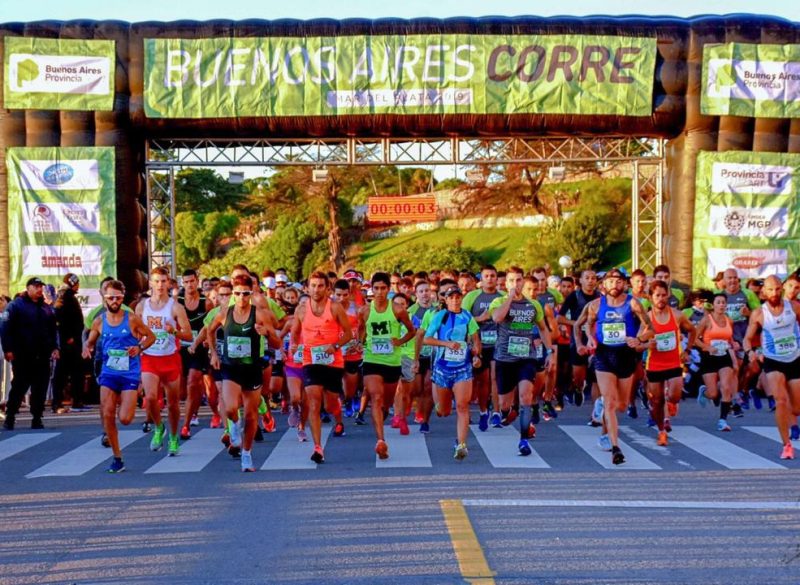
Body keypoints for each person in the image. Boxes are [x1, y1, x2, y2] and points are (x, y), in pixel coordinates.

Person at [574, 269, 653, 465]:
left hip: (626, 355)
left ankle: (601, 406)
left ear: (624, 284)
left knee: (621, 405)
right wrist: (585, 341)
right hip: (604, 356)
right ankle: (616, 448)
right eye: (610, 281)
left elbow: (650, 328)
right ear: (603, 285)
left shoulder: (633, 303)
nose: (614, 285)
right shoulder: (595, 305)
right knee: (610, 404)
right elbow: (580, 325)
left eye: (618, 282)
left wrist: (639, 339)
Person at [207, 274, 281, 471]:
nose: (241, 298)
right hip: (230, 367)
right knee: (230, 408)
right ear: (233, 293)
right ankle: (234, 424)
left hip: (252, 369)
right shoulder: (225, 312)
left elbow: (277, 343)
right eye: (238, 293)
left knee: (251, 415)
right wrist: (214, 354)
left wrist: (266, 333)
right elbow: (210, 330)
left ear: (251, 293)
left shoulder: (260, 315)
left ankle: (246, 454)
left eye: (246, 294)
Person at [83, 280, 156, 472]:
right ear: (104, 299)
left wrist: (139, 347)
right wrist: (86, 347)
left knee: (125, 419)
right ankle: (117, 458)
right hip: (109, 373)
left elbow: (151, 337)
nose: (114, 301)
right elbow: (90, 340)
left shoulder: (131, 319)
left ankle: (129, 400)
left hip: (129, 374)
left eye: (118, 298)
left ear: (122, 298)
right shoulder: (99, 321)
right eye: (111, 298)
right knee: (107, 414)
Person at [489, 266, 555, 456]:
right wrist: (510, 298)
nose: (515, 284)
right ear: (506, 283)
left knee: (526, 396)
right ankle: (509, 411)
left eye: (518, 280)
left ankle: (524, 440)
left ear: (523, 282)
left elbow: (543, 328)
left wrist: (550, 352)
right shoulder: (499, 301)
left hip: (527, 358)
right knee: (504, 405)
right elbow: (497, 318)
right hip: (504, 359)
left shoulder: (533, 305)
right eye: (511, 280)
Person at [290, 271, 352, 463]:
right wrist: (294, 346)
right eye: (313, 285)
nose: (316, 289)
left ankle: (338, 417)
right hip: (311, 360)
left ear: (327, 288)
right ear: (307, 287)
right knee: (314, 401)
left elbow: (348, 334)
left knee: (330, 404)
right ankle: (318, 447)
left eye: (320, 286)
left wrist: (334, 346)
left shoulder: (335, 307)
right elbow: (294, 333)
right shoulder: (301, 309)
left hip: (332, 361)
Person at [358, 272, 416, 459]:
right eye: (376, 288)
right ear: (371, 289)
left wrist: (399, 341)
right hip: (372, 360)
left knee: (386, 403)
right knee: (376, 396)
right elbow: (361, 330)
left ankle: (383, 414)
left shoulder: (398, 310)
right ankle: (381, 441)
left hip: (392, 362)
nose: (380, 292)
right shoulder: (365, 311)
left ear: (388, 289)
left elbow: (412, 331)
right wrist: (359, 343)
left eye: (383, 288)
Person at [136, 267, 193, 456]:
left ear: (169, 283)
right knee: (151, 397)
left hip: (170, 358)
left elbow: (188, 335)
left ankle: (174, 437)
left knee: (173, 404)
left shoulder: (176, 307)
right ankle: (159, 427)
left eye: (163, 281)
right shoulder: (142, 306)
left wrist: (174, 331)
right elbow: (136, 330)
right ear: (150, 283)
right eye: (156, 281)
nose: (160, 285)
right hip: (149, 358)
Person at [743, 275, 800, 460]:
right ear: (763, 292)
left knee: (796, 408)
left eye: (777, 289)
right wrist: (750, 352)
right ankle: (787, 445)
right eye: (770, 289)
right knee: (780, 400)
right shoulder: (759, 313)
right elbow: (747, 339)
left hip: (795, 358)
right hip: (773, 360)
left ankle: (792, 416)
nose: (774, 293)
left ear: (781, 289)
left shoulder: (794, 307)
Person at [423, 286, 481, 460]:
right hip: (442, 367)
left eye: (458, 297)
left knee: (463, 406)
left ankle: (461, 444)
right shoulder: (440, 316)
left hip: (463, 367)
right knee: (443, 411)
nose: (455, 300)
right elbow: (426, 338)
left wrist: (477, 355)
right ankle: (440, 406)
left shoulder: (467, 316)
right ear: (446, 300)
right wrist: (446, 344)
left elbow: (476, 339)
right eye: (451, 298)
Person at [639, 280, 696, 446]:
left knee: (674, 395)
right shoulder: (647, 319)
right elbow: (638, 342)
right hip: (654, 364)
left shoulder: (677, 315)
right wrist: (646, 345)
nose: (661, 299)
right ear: (650, 297)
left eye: (664, 295)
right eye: (657, 295)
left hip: (674, 362)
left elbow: (692, 330)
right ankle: (661, 431)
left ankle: (672, 403)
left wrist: (687, 350)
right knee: (657, 402)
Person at [0, 277, 60, 430]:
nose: (39, 289)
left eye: (41, 287)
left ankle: (37, 417)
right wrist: (8, 349)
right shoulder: (16, 305)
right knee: (19, 386)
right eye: (36, 286)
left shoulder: (45, 308)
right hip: (23, 355)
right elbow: (5, 328)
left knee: (40, 388)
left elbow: (52, 330)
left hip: (42, 355)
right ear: (28, 288)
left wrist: (55, 347)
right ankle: (10, 417)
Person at [462, 265, 503, 429]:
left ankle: (496, 413)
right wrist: (480, 318)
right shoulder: (472, 296)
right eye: (486, 276)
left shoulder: (503, 296)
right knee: (482, 380)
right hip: (478, 343)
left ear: (497, 278)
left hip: (498, 343)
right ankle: (483, 411)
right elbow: (462, 318)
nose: (490, 279)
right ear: (481, 279)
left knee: (495, 377)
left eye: (493, 276)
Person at [178, 269, 214, 439]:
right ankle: (193, 409)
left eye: (192, 281)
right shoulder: (176, 302)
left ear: (197, 281)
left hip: (198, 348)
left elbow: (211, 326)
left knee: (193, 381)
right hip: (180, 348)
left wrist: (208, 341)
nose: (189, 285)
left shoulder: (206, 303)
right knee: (182, 391)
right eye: (186, 282)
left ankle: (186, 425)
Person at [695, 292, 738, 431]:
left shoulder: (729, 320)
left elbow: (729, 338)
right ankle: (704, 392)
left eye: (723, 302)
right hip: (709, 357)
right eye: (718, 302)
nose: (721, 305)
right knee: (713, 394)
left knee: (726, 387)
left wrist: (734, 344)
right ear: (713, 305)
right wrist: (707, 347)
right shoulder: (706, 320)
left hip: (724, 356)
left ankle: (722, 420)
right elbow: (694, 339)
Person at [558, 269, 600, 406]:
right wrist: (577, 323)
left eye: (593, 278)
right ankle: (578, 388)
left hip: (595, 339)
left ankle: (598, 409)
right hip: (578, 340)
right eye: (587, 278)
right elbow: (560, 318)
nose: (590, 281)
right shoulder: (574, 296)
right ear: (580, 281)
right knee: (578, 375)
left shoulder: (600, 297)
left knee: (597, 377)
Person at [52, 273, 86, 414]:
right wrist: (68, 337)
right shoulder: (65, 297)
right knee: (63, 373)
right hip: (68, 344)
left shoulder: (69, 297)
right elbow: (61, 320)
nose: (78, 286)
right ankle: (58, 402)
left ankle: (76, 401)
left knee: (76, 373)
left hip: (73, 342)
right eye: (76, 283)